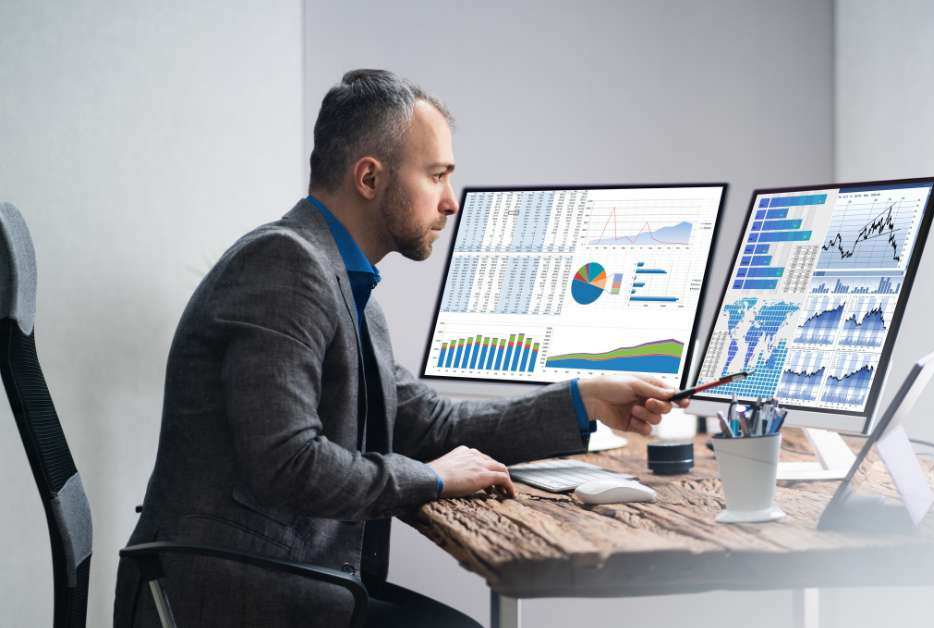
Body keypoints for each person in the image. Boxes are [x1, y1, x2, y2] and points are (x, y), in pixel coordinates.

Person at [113, 69, 683, 627]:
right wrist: (431, 479)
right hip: (238, 596)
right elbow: (289, 464)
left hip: (295, 579)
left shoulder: (343, 278)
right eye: (436, 175)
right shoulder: (284, 267)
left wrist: (583, 400)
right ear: (369, 178)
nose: (451, 202)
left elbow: (429, 423)